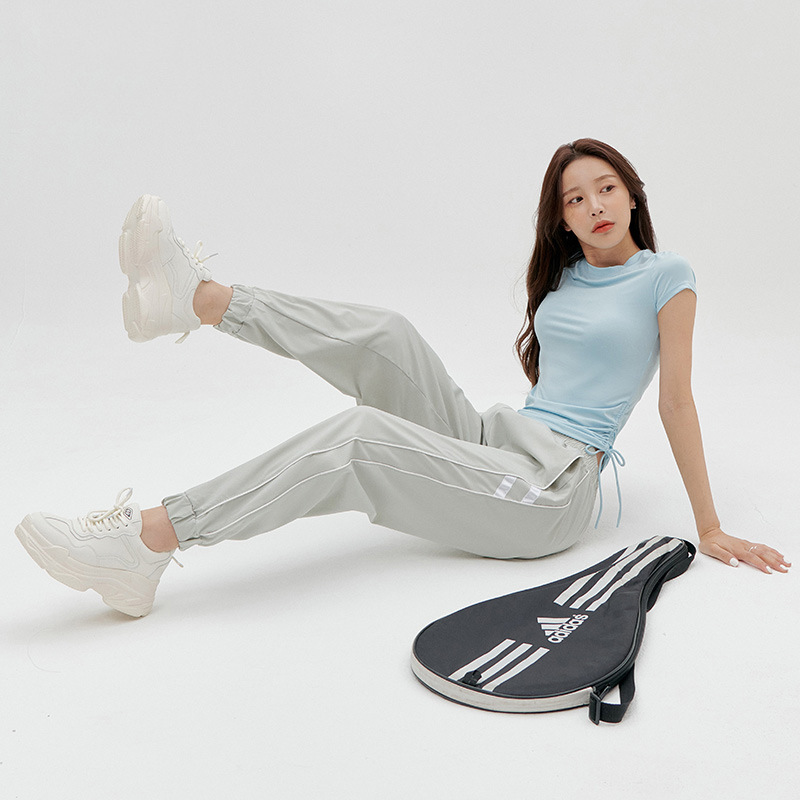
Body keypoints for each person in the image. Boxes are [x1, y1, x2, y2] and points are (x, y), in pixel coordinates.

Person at [15, 139, 791, 618]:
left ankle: (148, 541)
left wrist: (710, 526)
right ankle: (200, 301)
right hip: (501, 442)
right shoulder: (563, 282)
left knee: (361, 441)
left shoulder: (667, 276)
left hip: (554, 489)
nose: (594, 206)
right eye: (575, 198)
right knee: (390, 335)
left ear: (633, 192)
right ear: (561, 219)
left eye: (606, 188)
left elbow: (676, 400)